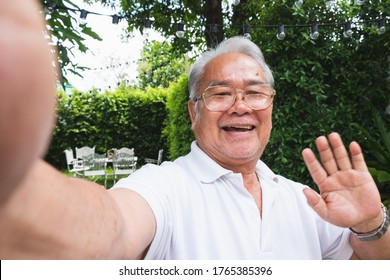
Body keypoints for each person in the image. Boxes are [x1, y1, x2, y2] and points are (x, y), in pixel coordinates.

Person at [0, 0, 389, 260]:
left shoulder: (303, 199)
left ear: (270, 106)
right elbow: (113, 229)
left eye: (255, 92)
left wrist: (371, 224)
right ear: (193, 111)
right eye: (220, 93)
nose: (240, 105)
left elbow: (369, 260)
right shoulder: (163, 187)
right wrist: (17, 192)